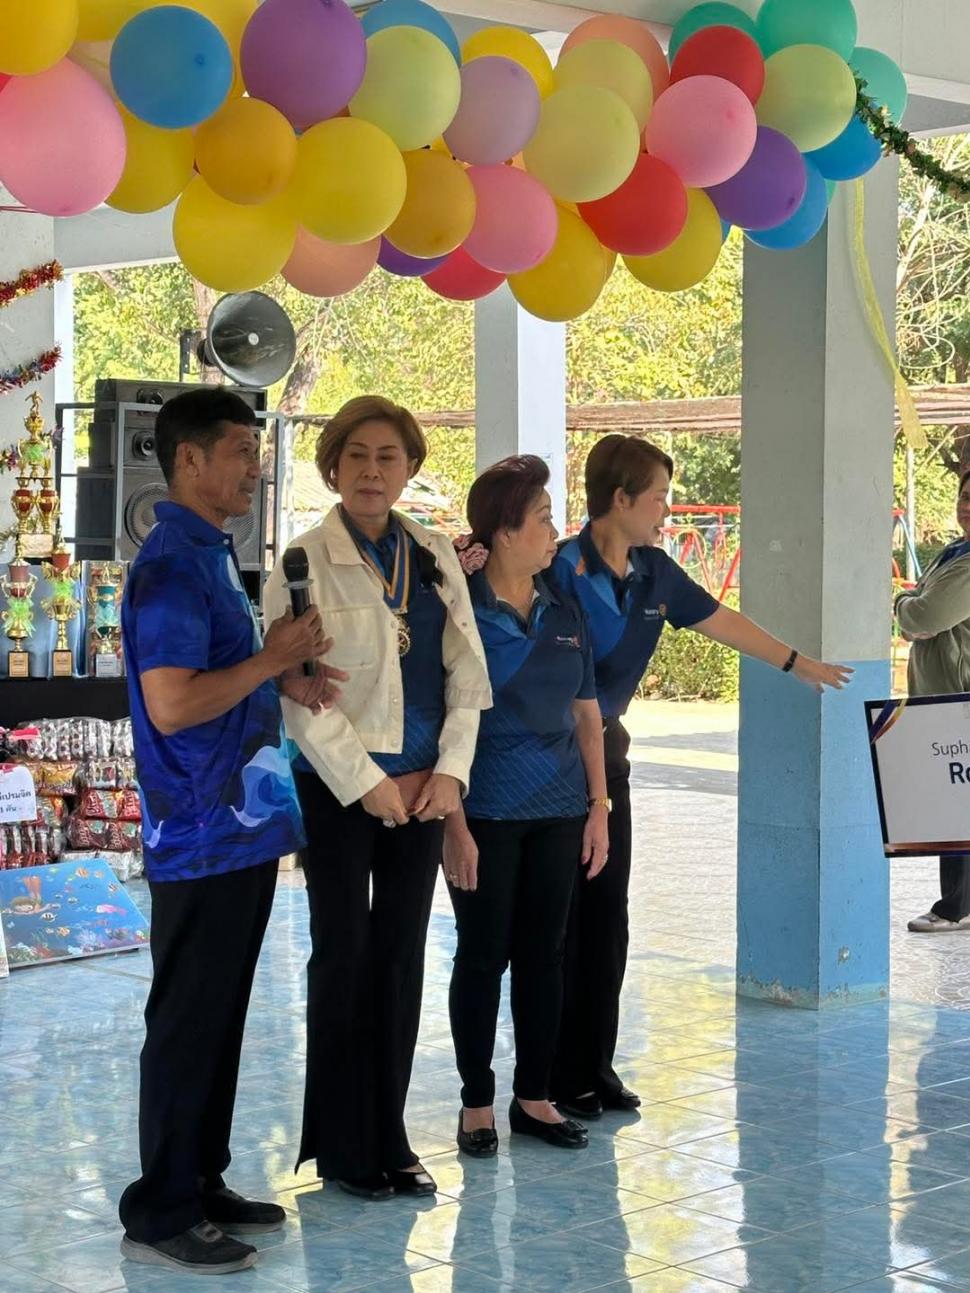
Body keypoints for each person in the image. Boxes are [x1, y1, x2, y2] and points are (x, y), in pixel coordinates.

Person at [550, 434, 853, 1119]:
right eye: (659, 497)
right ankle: (554, 1075)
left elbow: (723, 621)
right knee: (561, 922)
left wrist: (796, 662)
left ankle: (595, 1065)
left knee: (608, 917)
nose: (667, 509)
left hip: (608, 754)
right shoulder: (561, 568)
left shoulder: (655, 573)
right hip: (549, 758)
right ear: (620, 498)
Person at [118, 388, 337, 1276]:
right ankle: (162, 1206)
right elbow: (172, 705)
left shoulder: (212, 554)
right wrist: (272, 657)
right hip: (199, 833)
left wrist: (282, 680)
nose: (256, 466)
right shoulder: (172, 567)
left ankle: (200, 1179)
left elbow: (218, 680)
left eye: (256, 450)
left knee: (220, 1016)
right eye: (241, 450)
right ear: (189, 460)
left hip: (241, 831)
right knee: (187, 1020)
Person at [264, 395, 491, 1201]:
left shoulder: (432, 554)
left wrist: (449, 773)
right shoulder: (302, 560)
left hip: (424, 790)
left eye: (387, 456)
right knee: (344, 954)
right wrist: (368, 783)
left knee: (399, 957)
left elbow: (468, 672)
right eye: (355, 455)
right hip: (338, 789)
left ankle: (389, 1136)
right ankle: (342, 1146)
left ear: (410, 467)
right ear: (332, 467)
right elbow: (297, 692)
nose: (371, 470)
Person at [445, 455, 610, 1156]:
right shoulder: (458, 608)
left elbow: (587, 713)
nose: (555, 531)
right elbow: (441, 719)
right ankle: (476, 1101)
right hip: (483, 809)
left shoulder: (563, 606)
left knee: (545, 956)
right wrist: (452, 824)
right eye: (543, 518)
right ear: (505, 532)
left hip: (560, 808)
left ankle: (534, 1097)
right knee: (484, 956)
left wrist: (598, 806)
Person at [897, 470, 970, 932]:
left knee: (957, 804)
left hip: (960, 701)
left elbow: (925, 615)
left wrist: (902, 605)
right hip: (944, 698)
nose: (967, 505)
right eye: (965, 495)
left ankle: (955, 908)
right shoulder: (955, 552)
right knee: (952, 800)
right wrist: (914, 609)